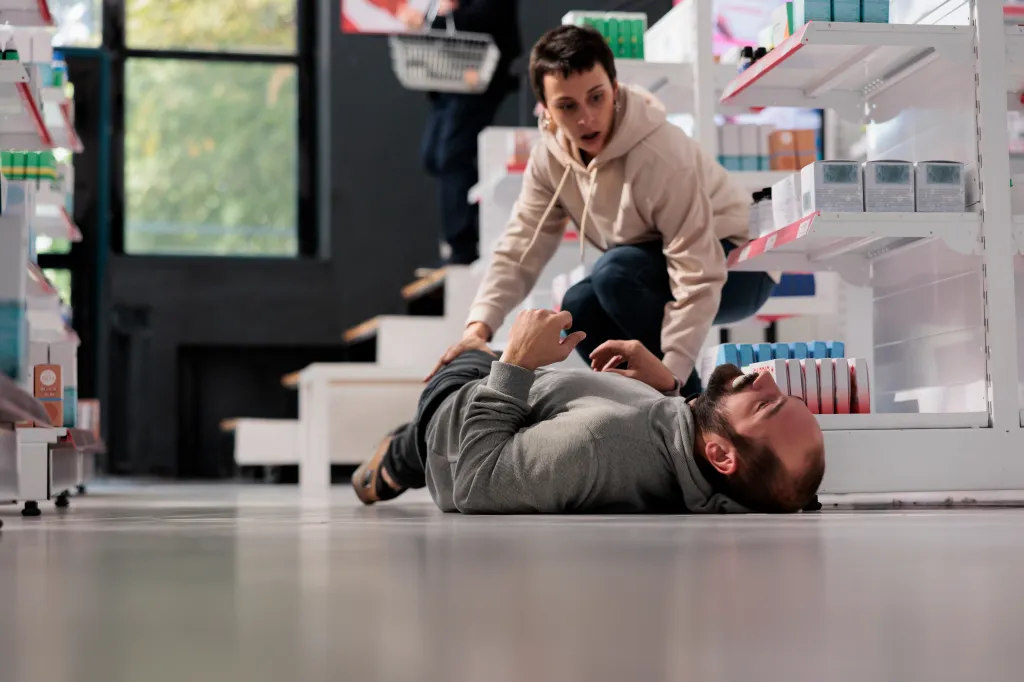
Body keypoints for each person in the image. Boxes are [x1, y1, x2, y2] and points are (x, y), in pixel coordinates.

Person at [440, 24, 774, 396]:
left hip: (739, 263)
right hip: (651, 263)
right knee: (577, 307)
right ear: (546, 111)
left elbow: (698, 271)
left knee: (614, 274)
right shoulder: (548, 160)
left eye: (596, 97)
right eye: (567, 105)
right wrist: (478, 328)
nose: (586, 117)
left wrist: (674, 375)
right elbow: (521, 247)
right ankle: (639, 410)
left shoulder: (661, 152)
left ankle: (692, 415)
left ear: (614, 90)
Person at [354, 308, 825, 514]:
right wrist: (666, 387)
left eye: (766, 405)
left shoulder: (596, 446)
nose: (765, 377)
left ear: (723, 455)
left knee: (472, 348)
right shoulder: (701, 459)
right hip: (539, 402)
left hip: (455, 416)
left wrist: (515, 360)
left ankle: (400, 458)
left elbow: (476, 481)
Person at [399, 0, 521, 266]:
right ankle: (467, 233)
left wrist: (448, 13)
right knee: (433, 156)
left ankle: (462, 247)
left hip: (480, 74)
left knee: (452, 156)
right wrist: (426, 19)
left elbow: (490, 17)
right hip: (449, 76)